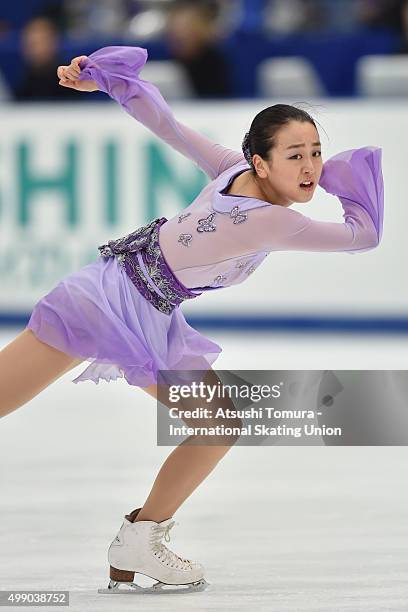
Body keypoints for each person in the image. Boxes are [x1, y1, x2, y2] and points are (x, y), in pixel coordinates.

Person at [0, 45, 384, 594]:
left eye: (318, 154)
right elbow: (361, 237)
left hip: (145, 306)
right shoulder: (270, 222)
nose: (310, 168)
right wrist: (349, 180)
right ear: (261, 161)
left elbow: (165, 122)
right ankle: (139, 540)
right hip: (103, 301)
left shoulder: (231, 170)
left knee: (219, 422)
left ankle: (140, 540)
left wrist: (114, 85)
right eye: (295, 155)